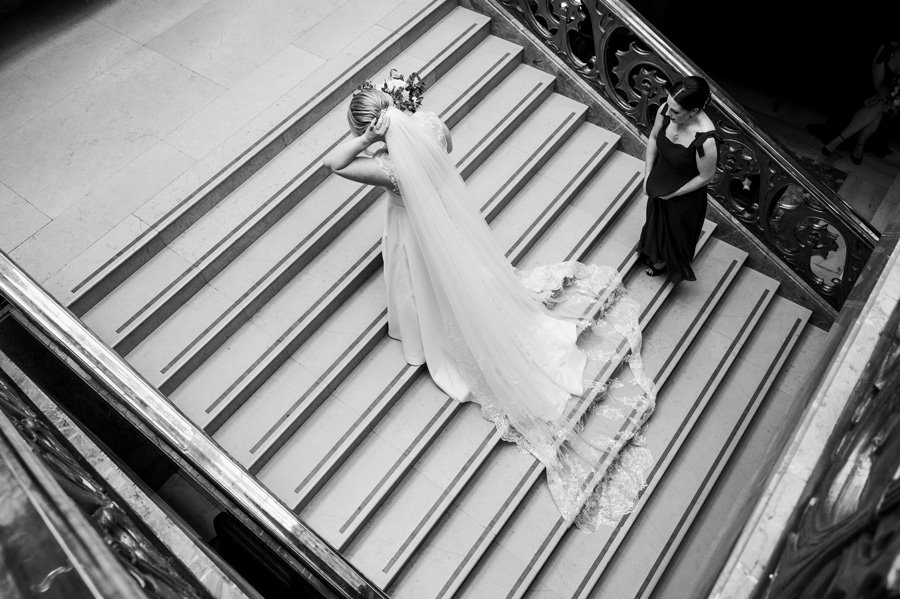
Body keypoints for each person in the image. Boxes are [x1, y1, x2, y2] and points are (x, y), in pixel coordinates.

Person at [323, 79, 656, 531]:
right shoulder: (431, 125)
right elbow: (449, 147)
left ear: (375, 125)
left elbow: (334, 162)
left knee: (421, 281)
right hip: (450, 224)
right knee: (467, 281)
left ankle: (432, 336)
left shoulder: (389, 169)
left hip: (418, 234)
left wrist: (367, 140)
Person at [638, 76, 720, 284]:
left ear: (693, 112)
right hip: (661, 178)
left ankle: (665, 263)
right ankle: (652, 252)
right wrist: (648, 175)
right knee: (654, 221)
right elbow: (655, 138)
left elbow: (706, 176)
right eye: (669, 105)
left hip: (684, 195)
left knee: (674, 234)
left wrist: (673, 194)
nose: (667, 112)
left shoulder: (705, 140)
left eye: (675, 111)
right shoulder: (665, 111)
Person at [821, 41, 900, 164]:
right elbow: (878, 81)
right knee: (877, 112)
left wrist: (890, 100)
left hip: (893, 106)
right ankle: (859, 146)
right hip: (873, 93)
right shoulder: (887, 50)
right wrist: (882, 96)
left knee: (879, 107)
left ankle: (837, 141)